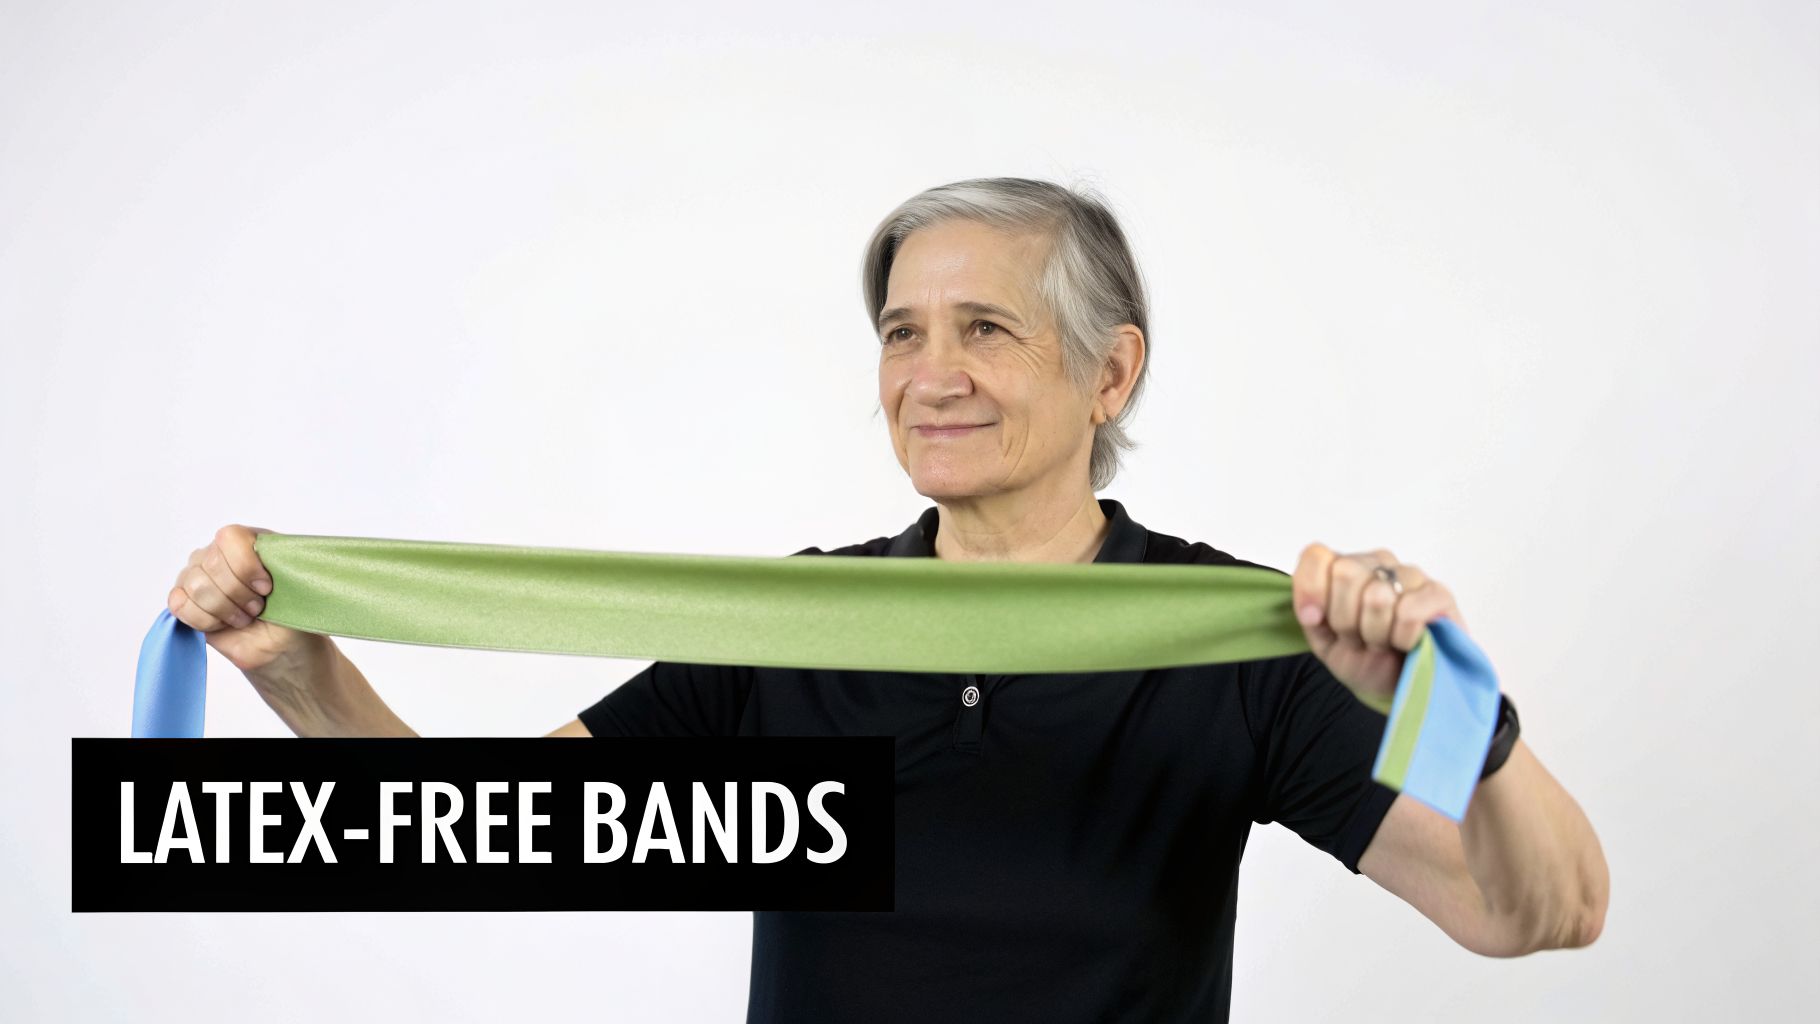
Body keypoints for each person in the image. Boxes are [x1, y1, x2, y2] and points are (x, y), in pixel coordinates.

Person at [167, 177, 1608, 1022]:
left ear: (1110, 374)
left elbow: (1540, 911)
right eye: (903, 333)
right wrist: (297, 670)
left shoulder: (1233, 642)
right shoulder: (790, 632)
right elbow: (488, 847)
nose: (932, 374)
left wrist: (1458, 715)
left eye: (987, 328)